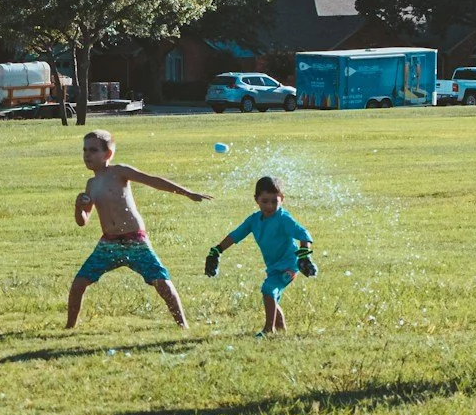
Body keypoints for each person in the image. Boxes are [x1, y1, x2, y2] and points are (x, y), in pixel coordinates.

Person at [69, 129, 209, 328]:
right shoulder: (91, 184)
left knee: (162, 283)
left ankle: (183, 325)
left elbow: (153, 181)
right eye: (84, 150)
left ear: (108, 154)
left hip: (135, 240)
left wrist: (187, 193)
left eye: (93, 150)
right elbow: (83, 221)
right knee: (79, 284)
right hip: (109, 243)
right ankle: (69, 327)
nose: (87, 155)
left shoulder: (119, 172)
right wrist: (78, 207)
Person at [206, 175, 317, 335]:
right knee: (272, 296)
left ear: (282, 199)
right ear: (256, 199)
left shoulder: (283, 218)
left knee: (268, 289)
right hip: (273, 266)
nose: (270, 206)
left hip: (289, 265)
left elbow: (303, 233)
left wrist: (305, 256)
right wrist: (216, 250)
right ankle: (281, 329)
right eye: (265, 201)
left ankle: (268, 329)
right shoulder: (254, 220)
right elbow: (235, 235)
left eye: (274, 201)